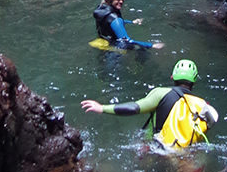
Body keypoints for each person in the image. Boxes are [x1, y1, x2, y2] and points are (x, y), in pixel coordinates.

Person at [81, 59, 218, 149]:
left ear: (172, 77)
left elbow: (134, 108)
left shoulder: (160, 93)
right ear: (194, 80)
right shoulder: (203, 105)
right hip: (186, 154)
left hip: (158, 149)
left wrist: (102, 108)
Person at [92, 0, 160, 50]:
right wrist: (151, 45)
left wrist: (131, 22)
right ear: (108, 0)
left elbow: (110, 24)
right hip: (114, 50)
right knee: (143, 51)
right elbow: (127, 42)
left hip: (102, 43)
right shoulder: (116, 19)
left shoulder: (101, 10)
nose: (121, 1)